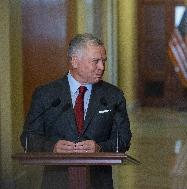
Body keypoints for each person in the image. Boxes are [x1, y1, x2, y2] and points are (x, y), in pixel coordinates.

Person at [20, 33, 132, 189]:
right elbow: (28, 137)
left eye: (103, 61)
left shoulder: (113, 96)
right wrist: (52, 147)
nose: (102, 67)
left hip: (99, 182)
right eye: (96, 61)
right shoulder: (46, 94)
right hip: (56, 182)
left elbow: (124, 139)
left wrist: (100, 148)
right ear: (74, 61)